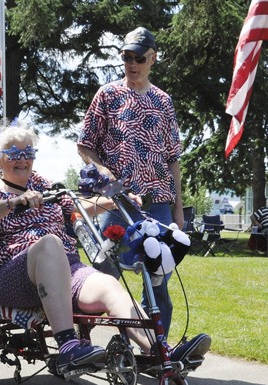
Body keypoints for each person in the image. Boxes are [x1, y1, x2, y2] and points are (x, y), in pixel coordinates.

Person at [0, 121, 202, 374]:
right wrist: (13, 202)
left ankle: (160, 353)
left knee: (109, 285)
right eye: (14, 153)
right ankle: (68, 347)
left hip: (66, 270)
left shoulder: (42, 185)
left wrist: (115, 199)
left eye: (28, 153)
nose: (22, 159)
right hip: (9, 276)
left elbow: (74, 203)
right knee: (49, 244)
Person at [76, 26, 183, 338]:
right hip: (116, 201)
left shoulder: (164, 101)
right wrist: (103, 172)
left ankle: (156, 347)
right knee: (103, 272)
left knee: (159, 277)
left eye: (139, 58)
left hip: (158, 205)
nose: (132, 64)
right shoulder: (108, 95)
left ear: (153, 58)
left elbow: (173, 158)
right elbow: (84, 144)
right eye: (126, 57)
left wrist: (177, 211)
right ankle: (82, 340)